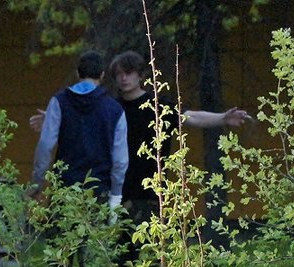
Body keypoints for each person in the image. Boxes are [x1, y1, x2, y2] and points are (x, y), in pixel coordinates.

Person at [31, 50, 252, 217]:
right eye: (118, 74)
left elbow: (190, 116)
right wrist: (54, 120)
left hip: (149, 193)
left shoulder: (156, 106)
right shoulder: (111, 108)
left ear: (140, 75)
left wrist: (222, 118)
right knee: (119, 263)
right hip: (117, 192)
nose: (123, 79)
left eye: (128, 73)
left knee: (149, 261)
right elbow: (84, 131)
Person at [30, 50, 129, 208]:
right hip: (98, 190)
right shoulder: (115, 110)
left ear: (77, 73)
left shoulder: (59, 102)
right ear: (102, 75)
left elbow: (45, 146)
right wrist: (116, 195)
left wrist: (37, 185)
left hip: (64, 188)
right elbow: (120, 161)